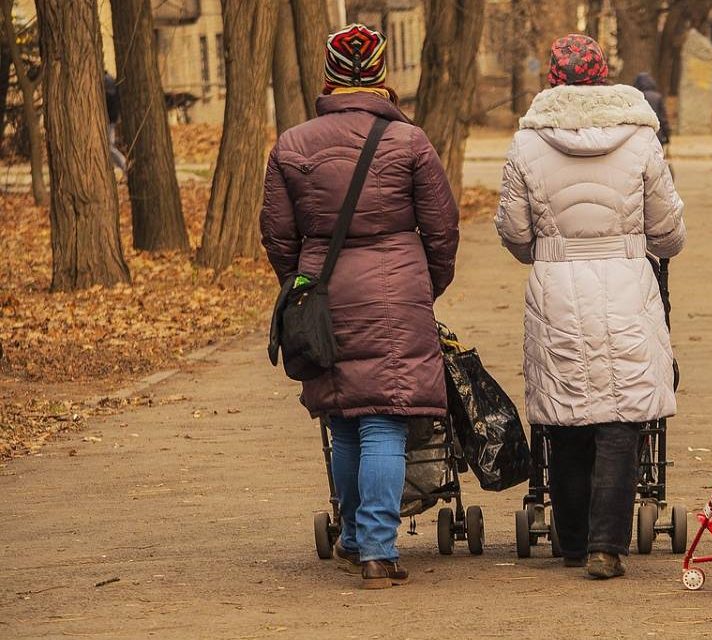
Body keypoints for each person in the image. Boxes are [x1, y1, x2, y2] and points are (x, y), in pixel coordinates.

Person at [259, 24, 460, 589]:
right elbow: (442, 230)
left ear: (329, 77)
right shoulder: (409, 142)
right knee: (385, 425)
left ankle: (353, 538)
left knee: (344, 421)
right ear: (379, 76)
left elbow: (277, 235)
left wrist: (303, 290)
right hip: (397, 291)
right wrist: (426, 286)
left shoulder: (292, 145)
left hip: (324, 291)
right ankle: (376, 548)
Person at [495, 34, 685, 579]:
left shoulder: (526, 144)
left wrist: (549, 252)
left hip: (556, 286)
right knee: (621, 417)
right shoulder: (641, 139)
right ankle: (607, 546)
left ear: (552, 80)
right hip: (626, 284)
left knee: (567, 416)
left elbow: (513, 230)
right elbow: (668, 232)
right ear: (604, 77)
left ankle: (573, 541)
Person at [633, 72, 670, 154]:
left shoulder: (636, 96)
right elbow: (663, 119)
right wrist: (667, 135)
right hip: (657, 135)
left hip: (640, 135)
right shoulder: (657, 97)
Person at [102, 71, 127, 172]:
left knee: (108, 146)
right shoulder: (108, 79)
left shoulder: (106, 80)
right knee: (108, 145)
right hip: (111, 118)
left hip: (110, 119)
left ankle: (123, 163)